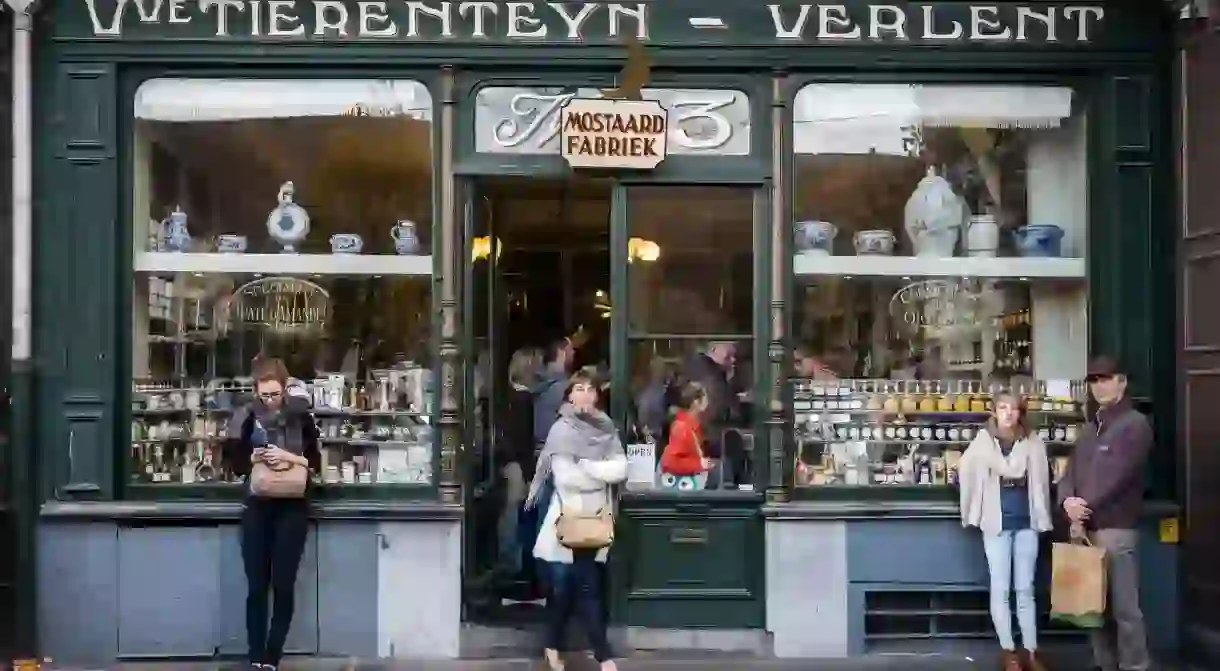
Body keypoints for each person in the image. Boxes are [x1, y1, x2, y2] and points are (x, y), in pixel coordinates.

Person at [524, 370, 627, 671]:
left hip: (595, 517)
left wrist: (586, 465)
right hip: (567, 519)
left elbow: (621, 469)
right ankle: (604, 655)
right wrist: (599, 470)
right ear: (569, 395)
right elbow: (566, 479)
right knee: (584, 586)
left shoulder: (606, 427)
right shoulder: (561, 430)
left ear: (597, 395)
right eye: (578, 389)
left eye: (590, 389)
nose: (584, 394)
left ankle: (552, 644)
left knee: (568, 589)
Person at [224, 357, 321, 671]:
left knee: (283, 584)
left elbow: (316, 463)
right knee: (256, 586)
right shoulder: (246, 417)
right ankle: (255, 657)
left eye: (275, 394)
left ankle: (271, 658)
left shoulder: (302, 418)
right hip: (257, 507)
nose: (270, 400)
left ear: (285, 388)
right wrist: (252, 457)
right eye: (264, 395)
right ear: (256, 391)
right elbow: (233, 464)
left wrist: (288, 456)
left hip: (292, 507)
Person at [1058, 356, 1153, 671]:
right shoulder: (1090, 427)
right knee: (1092, 608)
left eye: (1105, 378)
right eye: (1093, 380)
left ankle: (1134, 666)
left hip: (1116, 528)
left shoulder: (1135, 425)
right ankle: (1105, 665)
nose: (1099, 385)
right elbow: (1069, 472)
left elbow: (1118, 475)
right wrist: (1067, 501)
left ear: (1122, 382)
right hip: (1084, 529)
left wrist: (1080, 506)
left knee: (1124, 609)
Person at [958, 391, 1053, 671]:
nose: (1008, 413)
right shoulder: (983, 442)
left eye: (1013, 408)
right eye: (1003, 407)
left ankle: (1031, 651)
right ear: (994, 411)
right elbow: (964, 469)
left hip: (1027, 522)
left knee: (1025, 589)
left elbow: (1044, 481)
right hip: (996, 523)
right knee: (1000, 588)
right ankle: (1008, 651)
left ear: (1020, 412)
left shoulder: (1033, 441)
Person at [498, 347, 542, 576]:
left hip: (506, 462)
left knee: (509, 512)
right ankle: (515, 565)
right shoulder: (524, 399)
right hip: (518, 465)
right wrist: (528, 473)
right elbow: (523, 438)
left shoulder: (506, 396)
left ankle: (508, 562)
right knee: (516, 515)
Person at [682, 341, 742, 487]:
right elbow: (719, 412)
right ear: (714, 350)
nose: (733, 360)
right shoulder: (713, 378)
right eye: (729, 355)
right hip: (713, 445)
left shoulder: (700, 372)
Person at [658, 382, 714, 490]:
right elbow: (669, 463)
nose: (708, 402)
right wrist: (699, 465)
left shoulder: (693, 426)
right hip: (681, 489)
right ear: (696, 402)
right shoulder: (682, 428)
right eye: (705, 398)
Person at [534, 338, 575, 448]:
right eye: (571, 350)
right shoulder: (563, 389)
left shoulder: (536, 384)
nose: (574, 353)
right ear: (561, 353)